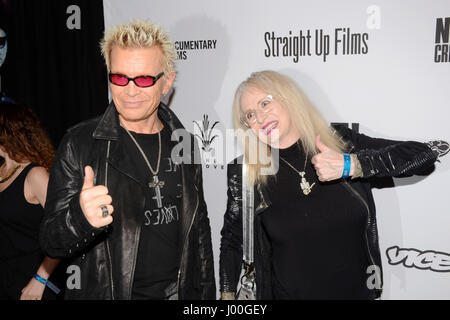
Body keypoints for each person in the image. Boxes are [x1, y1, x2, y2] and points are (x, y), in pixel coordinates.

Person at [219, 70, 448, 300]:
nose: (259, 118)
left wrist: (352, 165)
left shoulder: (341, 143)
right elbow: (232, 240)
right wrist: (227, 296)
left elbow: (424, 155)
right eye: (250, 114)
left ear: (288, 97)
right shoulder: (247, 173)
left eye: (265, 103)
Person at [40, 20, 215, 300]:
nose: (130, 91)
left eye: (144, 79)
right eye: (119, 78)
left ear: (167, 82)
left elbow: (200, 237)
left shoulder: (185, 143)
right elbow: (51, 241)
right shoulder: (80, 143)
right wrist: (80, 218)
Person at [0, 102, 60, 300]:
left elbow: (64, 233)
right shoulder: (2, 173)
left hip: (32, 284)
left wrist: (40, 279)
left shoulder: (35, 175)